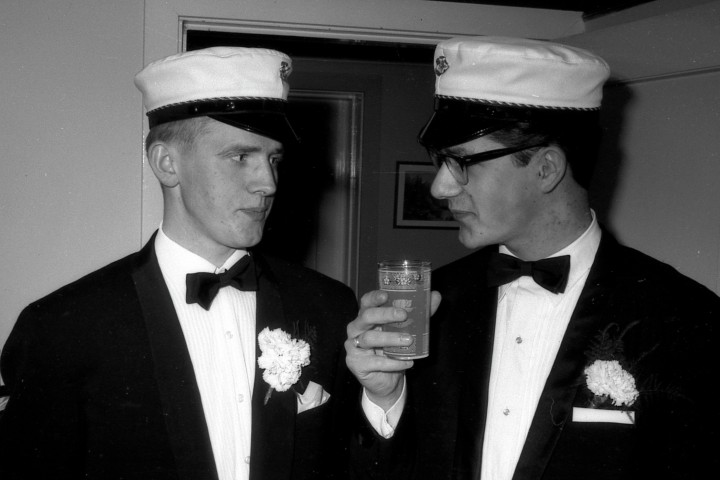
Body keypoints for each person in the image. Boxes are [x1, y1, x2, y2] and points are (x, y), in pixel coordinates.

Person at [345, 36, 719, 480]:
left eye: (462, 163)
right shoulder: (434, 304)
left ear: (546, 169)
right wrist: (385, 398)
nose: (440, 187)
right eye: (439, 162)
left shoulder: (684, 319)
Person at [0, 46, 358, 480]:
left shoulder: (329, 306)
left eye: (273, 160)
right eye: (240, 157)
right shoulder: (62, 328)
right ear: (167, 164)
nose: (267, 183)